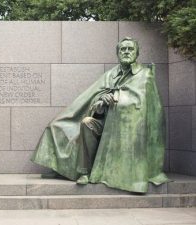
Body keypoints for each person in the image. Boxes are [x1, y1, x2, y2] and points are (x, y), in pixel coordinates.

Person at [31, 37, 169, 193]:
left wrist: (116, 97)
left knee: (86, 123)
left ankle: (86, 172)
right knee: (73, 123)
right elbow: (94, 96)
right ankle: (76, 170)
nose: (126, 52)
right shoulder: (111, 74)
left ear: (137, 52)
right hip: (104, 122)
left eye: (130, 49)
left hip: (125, 128)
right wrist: (101, 101)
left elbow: (140, 104)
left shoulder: (145, 74)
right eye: (122, 49)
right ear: (117, 53)